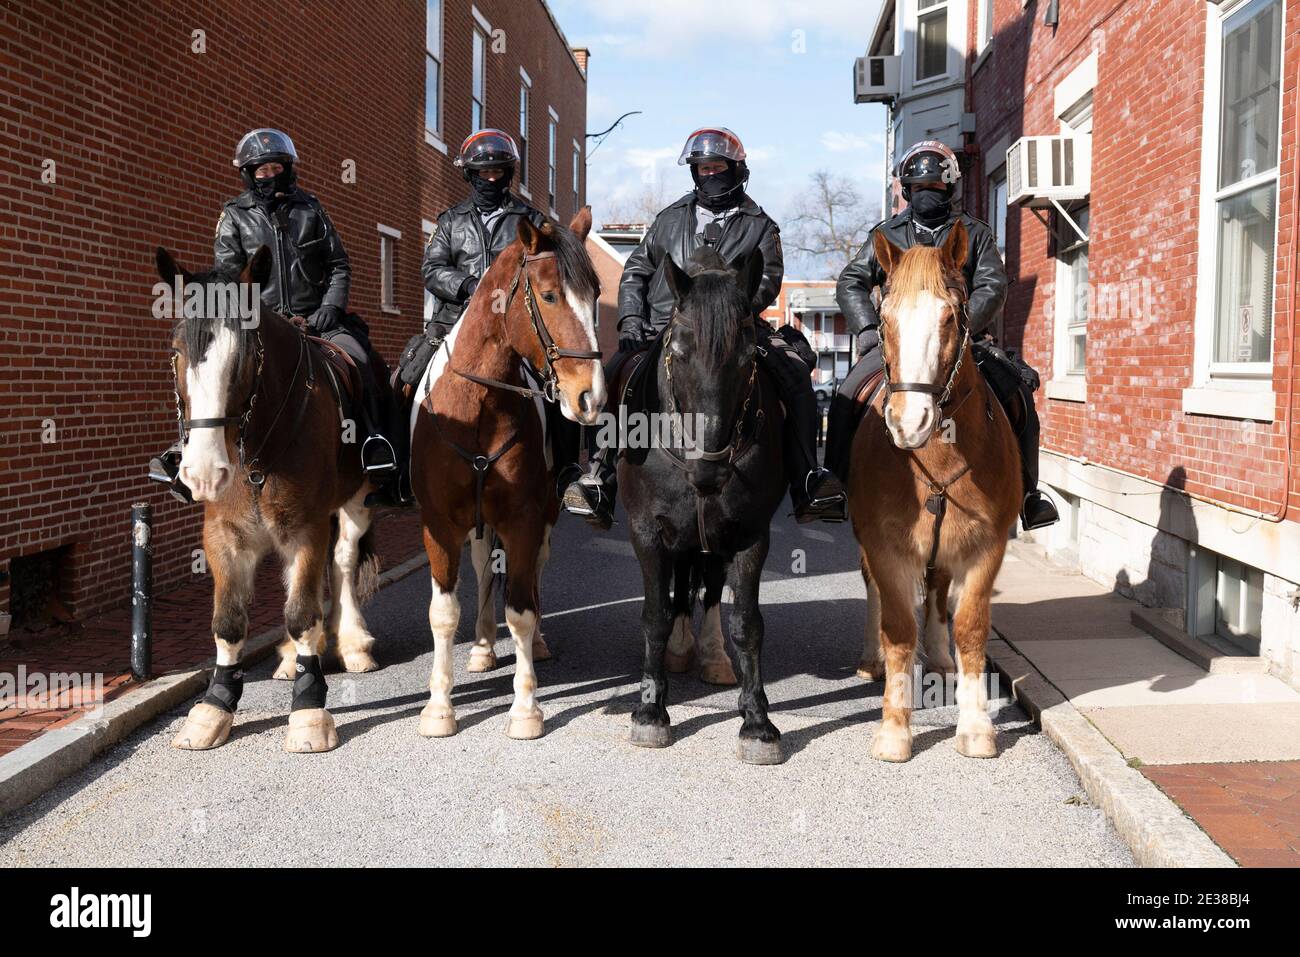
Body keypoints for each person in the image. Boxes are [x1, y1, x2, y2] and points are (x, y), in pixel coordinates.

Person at [561, 127, 846, 528]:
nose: (710, 174)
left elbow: (768, 279)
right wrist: (630, 320)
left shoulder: (761, 225)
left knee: (796, 377)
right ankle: (599, 478)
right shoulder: (669, 219)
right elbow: (636, 272)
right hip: (667, 327)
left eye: (718, 167)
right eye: (702, 168)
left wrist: (727, 315)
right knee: (614, 377)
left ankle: (807, 480)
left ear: (736, 170)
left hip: (736, 327)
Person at [149, 128, 408, 506]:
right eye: (260, 171)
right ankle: (188, 448)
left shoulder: (311, 209)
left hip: (320, 321)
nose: (268, 176)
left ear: (287, 169)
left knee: (364, 361)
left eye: (275, 168)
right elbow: (228, 277)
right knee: (210, 364)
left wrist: (327, 310)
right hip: (258, 322)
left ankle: (375, 446)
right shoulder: (234, 217)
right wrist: (264, 317)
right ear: (248, 174)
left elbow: (338, 265)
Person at [828, 139, 1059, 529]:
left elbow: (993, 285)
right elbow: (852, 279)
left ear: (949, 189)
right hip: (900, 344)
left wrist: (965, 327)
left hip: (961, 341)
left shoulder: (975, 233)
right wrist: (868, 328)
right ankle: (833, 483)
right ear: (906, 190)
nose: (926, 195)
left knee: (1018, 396)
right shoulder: (886, 233)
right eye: (918, 189)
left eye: (934, 188)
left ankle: (1028, 495)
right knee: (847, 394)